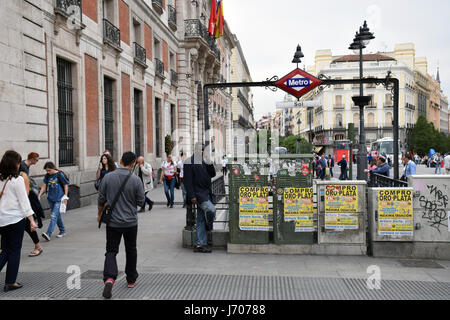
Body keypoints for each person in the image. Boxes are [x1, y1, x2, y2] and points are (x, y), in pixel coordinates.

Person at [98, 151, 145, 299]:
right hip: (130, 222)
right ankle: (131, 279)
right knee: (131, 249)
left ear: (120, 160)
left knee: (111, 250)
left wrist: (99, 215)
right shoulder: (136, 180)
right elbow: (141, 201)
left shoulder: (108, 177)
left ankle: (110, 278)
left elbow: (100, 199)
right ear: (133, 164)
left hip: (112, 222)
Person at [0, 150, 38, 292]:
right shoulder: (18, 180)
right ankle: (10, 282)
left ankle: (10, 281)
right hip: (15, 220)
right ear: (15, 164)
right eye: (18, 162)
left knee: (5, 250)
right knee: (14, 251)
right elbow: (24, 203)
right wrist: (32, 221)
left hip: (1, 220)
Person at [183, 143, 217, 253]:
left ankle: (199, 244)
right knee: (211, 210)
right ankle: (209, 224)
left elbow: (213, 174)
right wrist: (192, 196)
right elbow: (187, 181)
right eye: (199, 149)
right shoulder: (189, 162)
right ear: (195, 150)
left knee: (200, 219)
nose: (201, 151)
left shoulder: (205, 161)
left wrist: (209, 162)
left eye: (202, 150)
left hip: (207, 192)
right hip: (198, 194)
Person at [19, 152, 45, 257]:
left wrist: (31, 219)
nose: (37, 162)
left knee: (27, 225)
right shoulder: (23, 167)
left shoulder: (22, 173)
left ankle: (38, 246)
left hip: (23, 204)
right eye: (37, 159)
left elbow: (25, 193)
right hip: (19, 206)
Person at [38, 162, 69, 241]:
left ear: (53, 168)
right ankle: (62, 230)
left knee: (54, 216)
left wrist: (65, 196)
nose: (48, 172)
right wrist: (39, 195)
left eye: (49, 170)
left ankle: (48, 234)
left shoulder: (60, 175)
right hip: (51, 199)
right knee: (57, 216)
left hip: (59, 199)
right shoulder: (47, 176)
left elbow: (66, 185)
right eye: (46, 171)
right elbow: (44, 186)